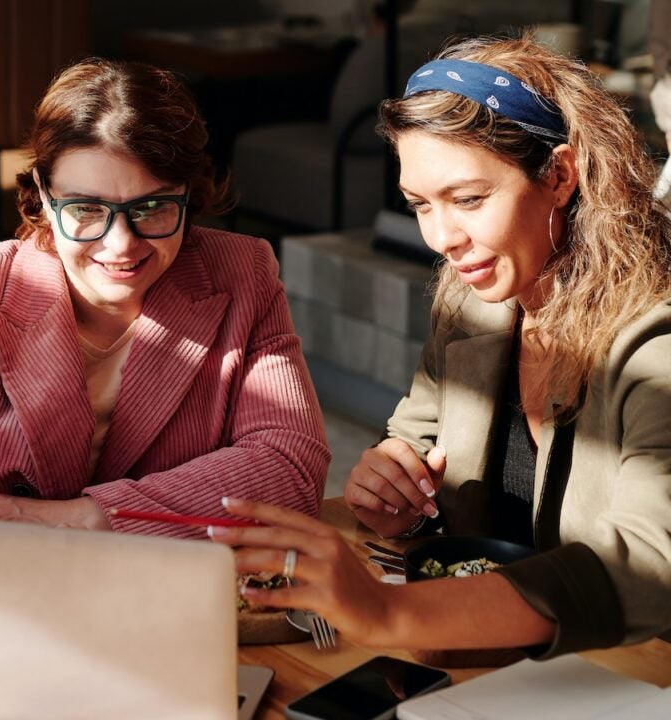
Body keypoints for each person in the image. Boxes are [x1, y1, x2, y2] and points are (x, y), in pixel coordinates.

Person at [210, 34, 671, 658]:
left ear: (559, 176)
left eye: (470, 199)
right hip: (505, 664)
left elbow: (650, 561)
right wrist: (395, 484)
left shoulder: (655, 337)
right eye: (420, 205)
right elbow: (415, 439)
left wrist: (393, 610)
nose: (442, 238)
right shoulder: (475, 302)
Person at [0, 58, 330, 551]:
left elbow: (290, 466)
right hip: (0, 581)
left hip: (169, 589)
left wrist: (92, 517)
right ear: (42, 191)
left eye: (152, 207)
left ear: (190, 194)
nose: (121, 244)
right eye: (85, 208)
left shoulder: (243, 271)